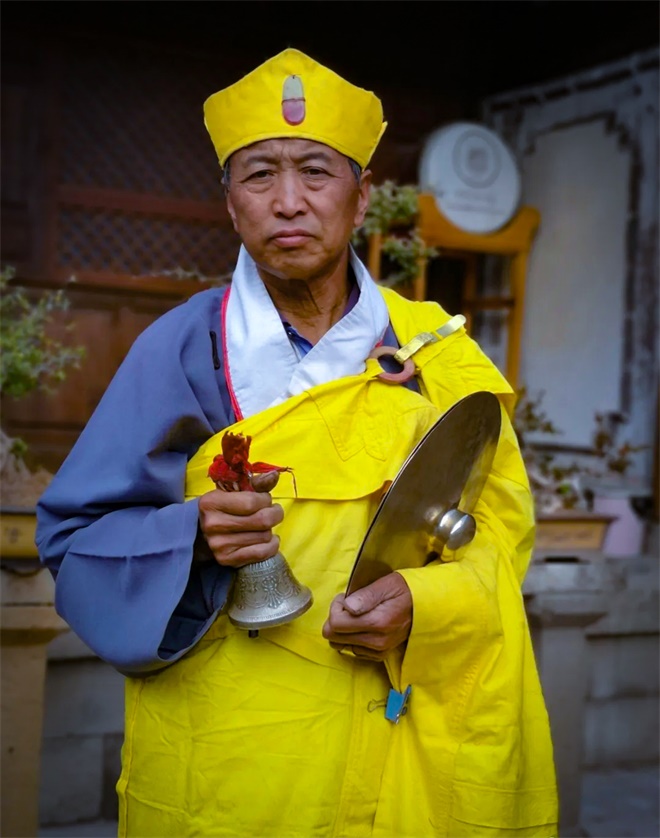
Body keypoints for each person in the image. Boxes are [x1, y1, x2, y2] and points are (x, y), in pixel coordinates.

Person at [36, 48, 558, 837]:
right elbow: (76, 537)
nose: (288, 201)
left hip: (396, 735)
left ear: (361, 199)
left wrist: (426, 602)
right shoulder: (180, 349)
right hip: (232, 753)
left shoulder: (432, 352)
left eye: (316, 172)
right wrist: (191, 535)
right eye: (258, 176)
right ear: (229, 203)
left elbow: (504, 533)